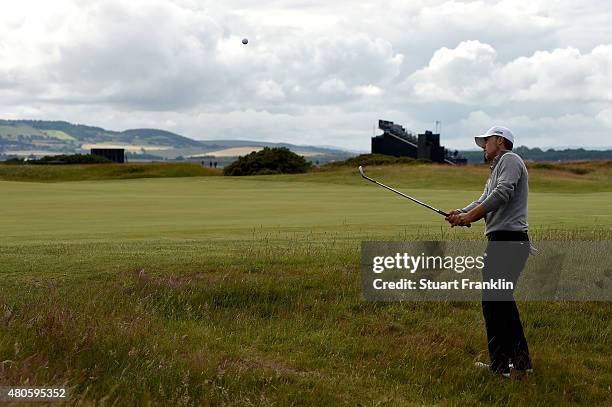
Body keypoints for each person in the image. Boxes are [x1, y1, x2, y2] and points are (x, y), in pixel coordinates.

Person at [446, 126, 533, 379]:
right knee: (501, 303)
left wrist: (469, 217)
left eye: (486, 141)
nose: (484, 146)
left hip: (509, 241)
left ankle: (501, 367)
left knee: (494, 303)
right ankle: (520, 364)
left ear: (500, 140)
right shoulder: (497, 168)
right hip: (504, 241)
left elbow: (501, 195)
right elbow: (484, 198)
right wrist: (460, 213)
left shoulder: (510, 160)